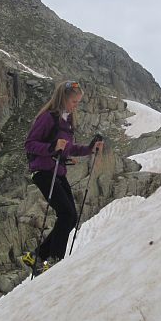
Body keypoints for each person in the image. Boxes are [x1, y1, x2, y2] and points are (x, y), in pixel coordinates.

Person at [22, 81, 104, 275]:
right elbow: (29, 144)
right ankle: (54, 259)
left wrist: (89, 149)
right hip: (43, 172)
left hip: (58, 172)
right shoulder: (48, 118)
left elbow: (68, 149)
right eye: (74, 101)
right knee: (67, 214)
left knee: (71, 216)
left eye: (78, 102)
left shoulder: (66, 121)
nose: (76, 105)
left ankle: (37, 256)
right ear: (64, 98)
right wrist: (51, 148)